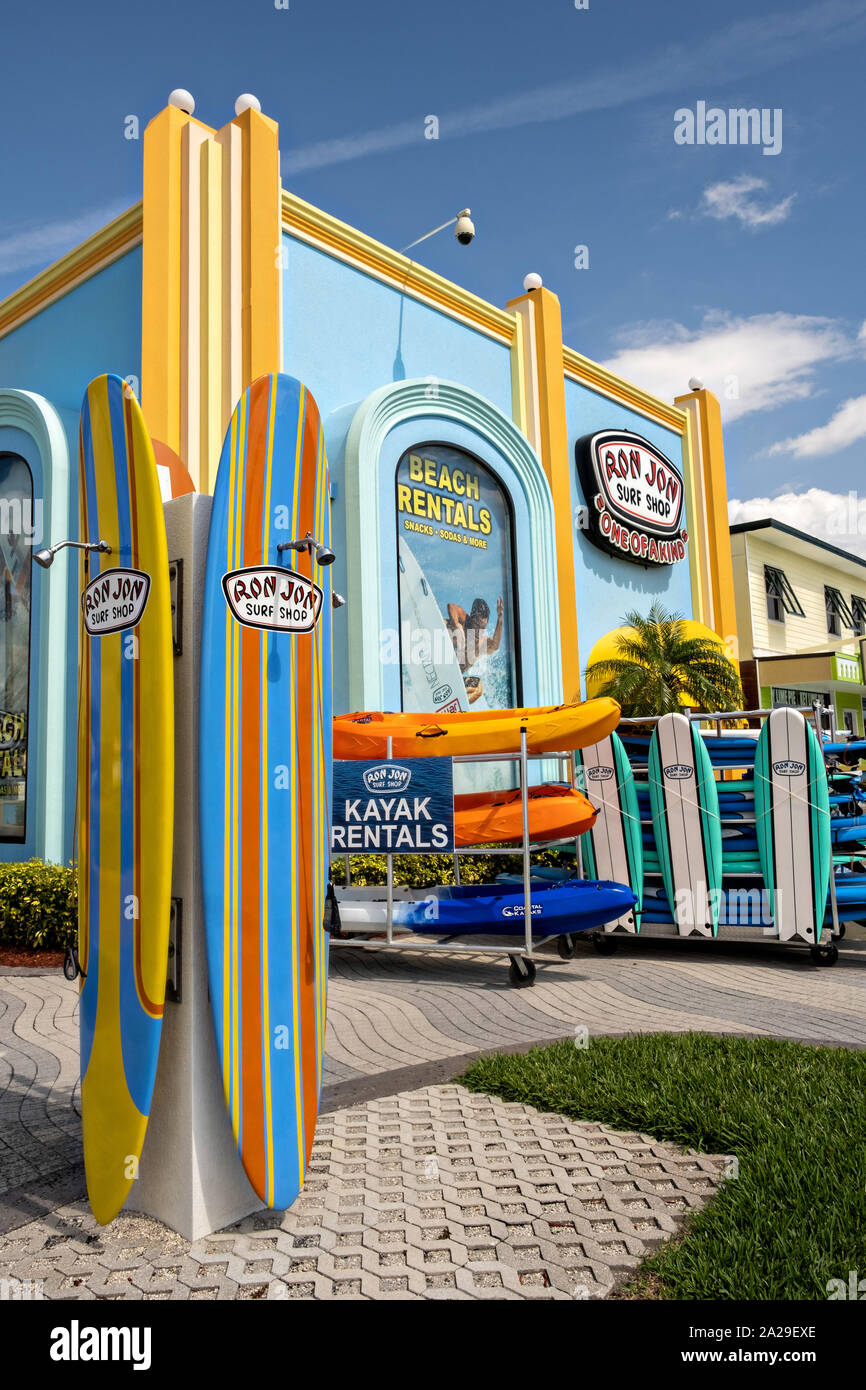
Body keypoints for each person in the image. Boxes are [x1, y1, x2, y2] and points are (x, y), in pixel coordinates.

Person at [446, 596, 503, 673]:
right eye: (476, 625)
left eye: (482, 628)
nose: (478, 631)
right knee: (451, 626)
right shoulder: (465, 621)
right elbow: (452, 606)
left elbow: (495, 645)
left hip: (454, 675)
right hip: (442, 658)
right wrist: (456, 624)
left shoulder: (481, 643)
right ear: (471, 619)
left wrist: (499, 620)